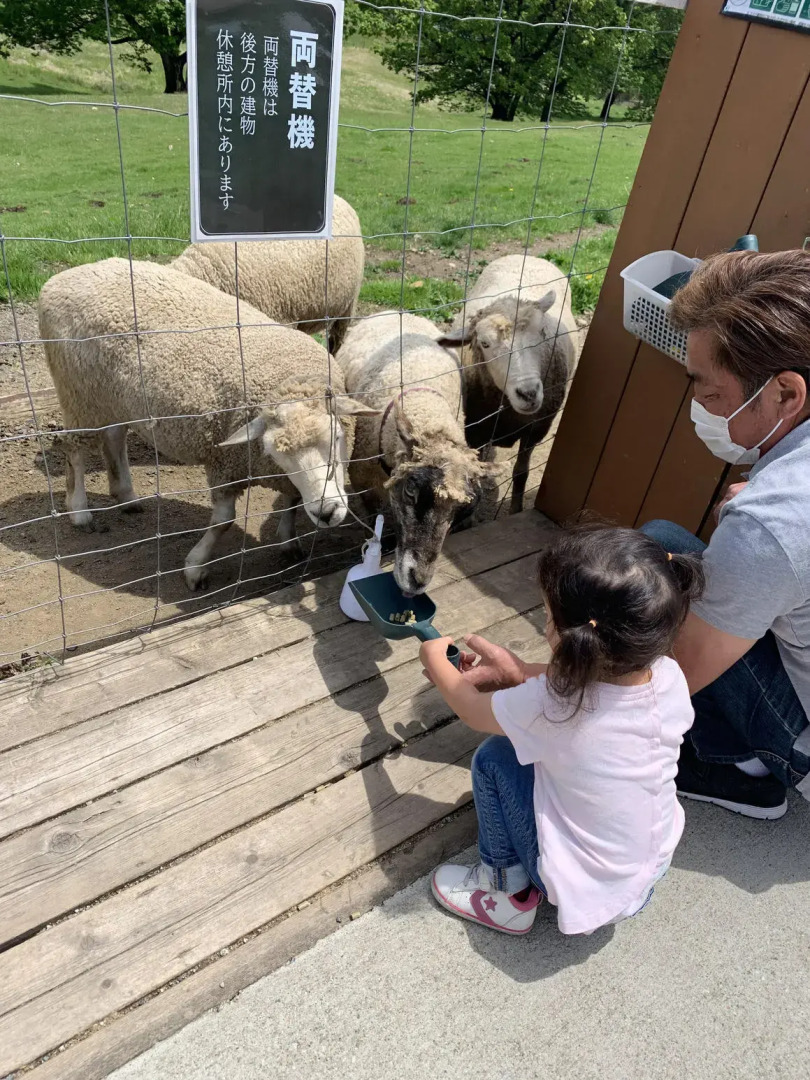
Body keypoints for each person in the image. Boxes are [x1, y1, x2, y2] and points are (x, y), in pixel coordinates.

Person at [419, 525, 703, 936]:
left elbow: (472, 710)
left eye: (548, 617)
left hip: (589, 890)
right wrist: (519, 672)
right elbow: (580, 685)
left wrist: (436, 661)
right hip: (646, 870)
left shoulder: (553, 708)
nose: (546, 623)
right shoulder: (666, 674)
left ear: (574, 640)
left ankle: (504, 893)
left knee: (495, 758)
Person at [640, 249, 810, 821]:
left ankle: (743, 769)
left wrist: (531, 690)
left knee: (657, 553)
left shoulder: (772, 522)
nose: (698, 404)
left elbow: (666, 679)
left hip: (803, 743)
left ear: (786, 393)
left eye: (710, 392)